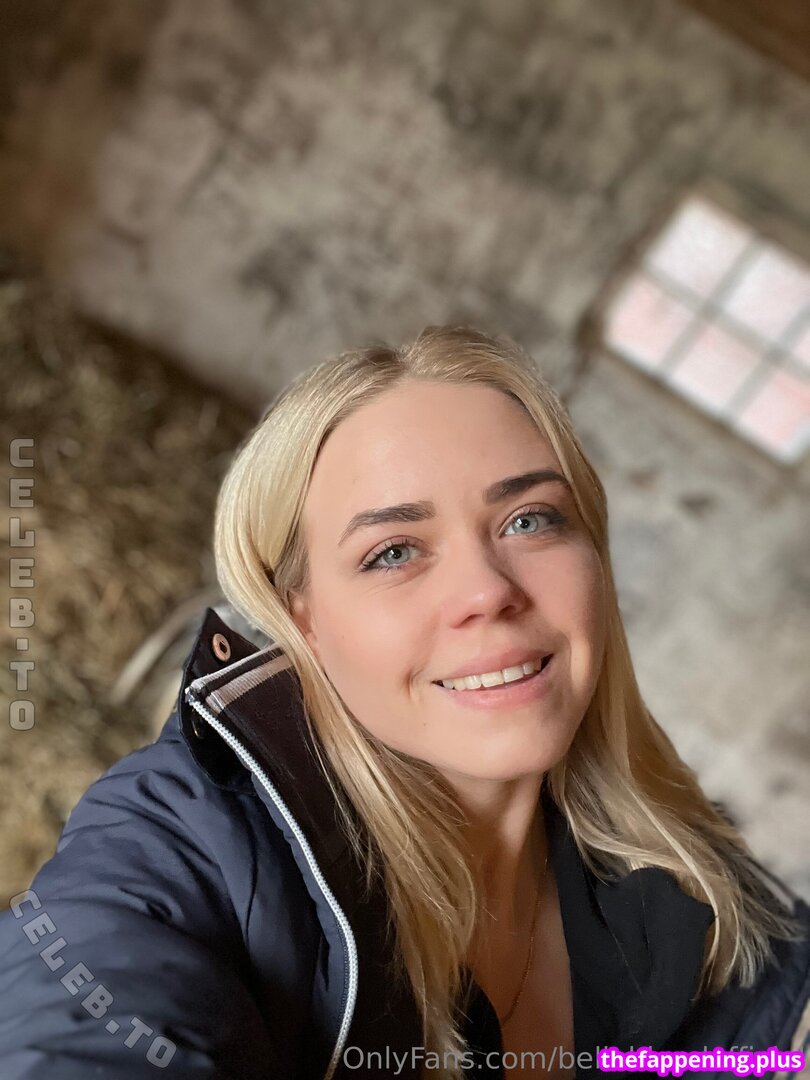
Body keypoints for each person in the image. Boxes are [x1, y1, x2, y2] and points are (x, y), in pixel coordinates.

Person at [0, 324, 808, 1080]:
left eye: (530, 519)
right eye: (393, 552)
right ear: (302, 620)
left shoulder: (707, 901)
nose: (487, 591)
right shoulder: (187, 839)